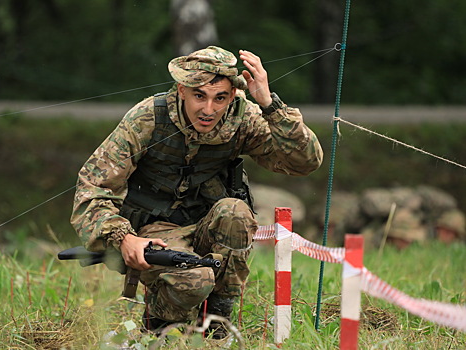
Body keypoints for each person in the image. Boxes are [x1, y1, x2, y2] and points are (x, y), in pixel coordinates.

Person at [70, 46, 323, 338]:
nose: (208, 110)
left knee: (236, 212)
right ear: (182, 90)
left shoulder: (243, 119)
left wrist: (270, 104)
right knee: (195, 279)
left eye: (220, 98)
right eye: (199, 96)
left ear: (232, 95)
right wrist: (124, 239)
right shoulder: (147, 119)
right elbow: (91, 190)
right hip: (152, 232)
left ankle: (218, 326)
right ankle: (159, 329)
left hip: (209, 226)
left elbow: (306, 161)